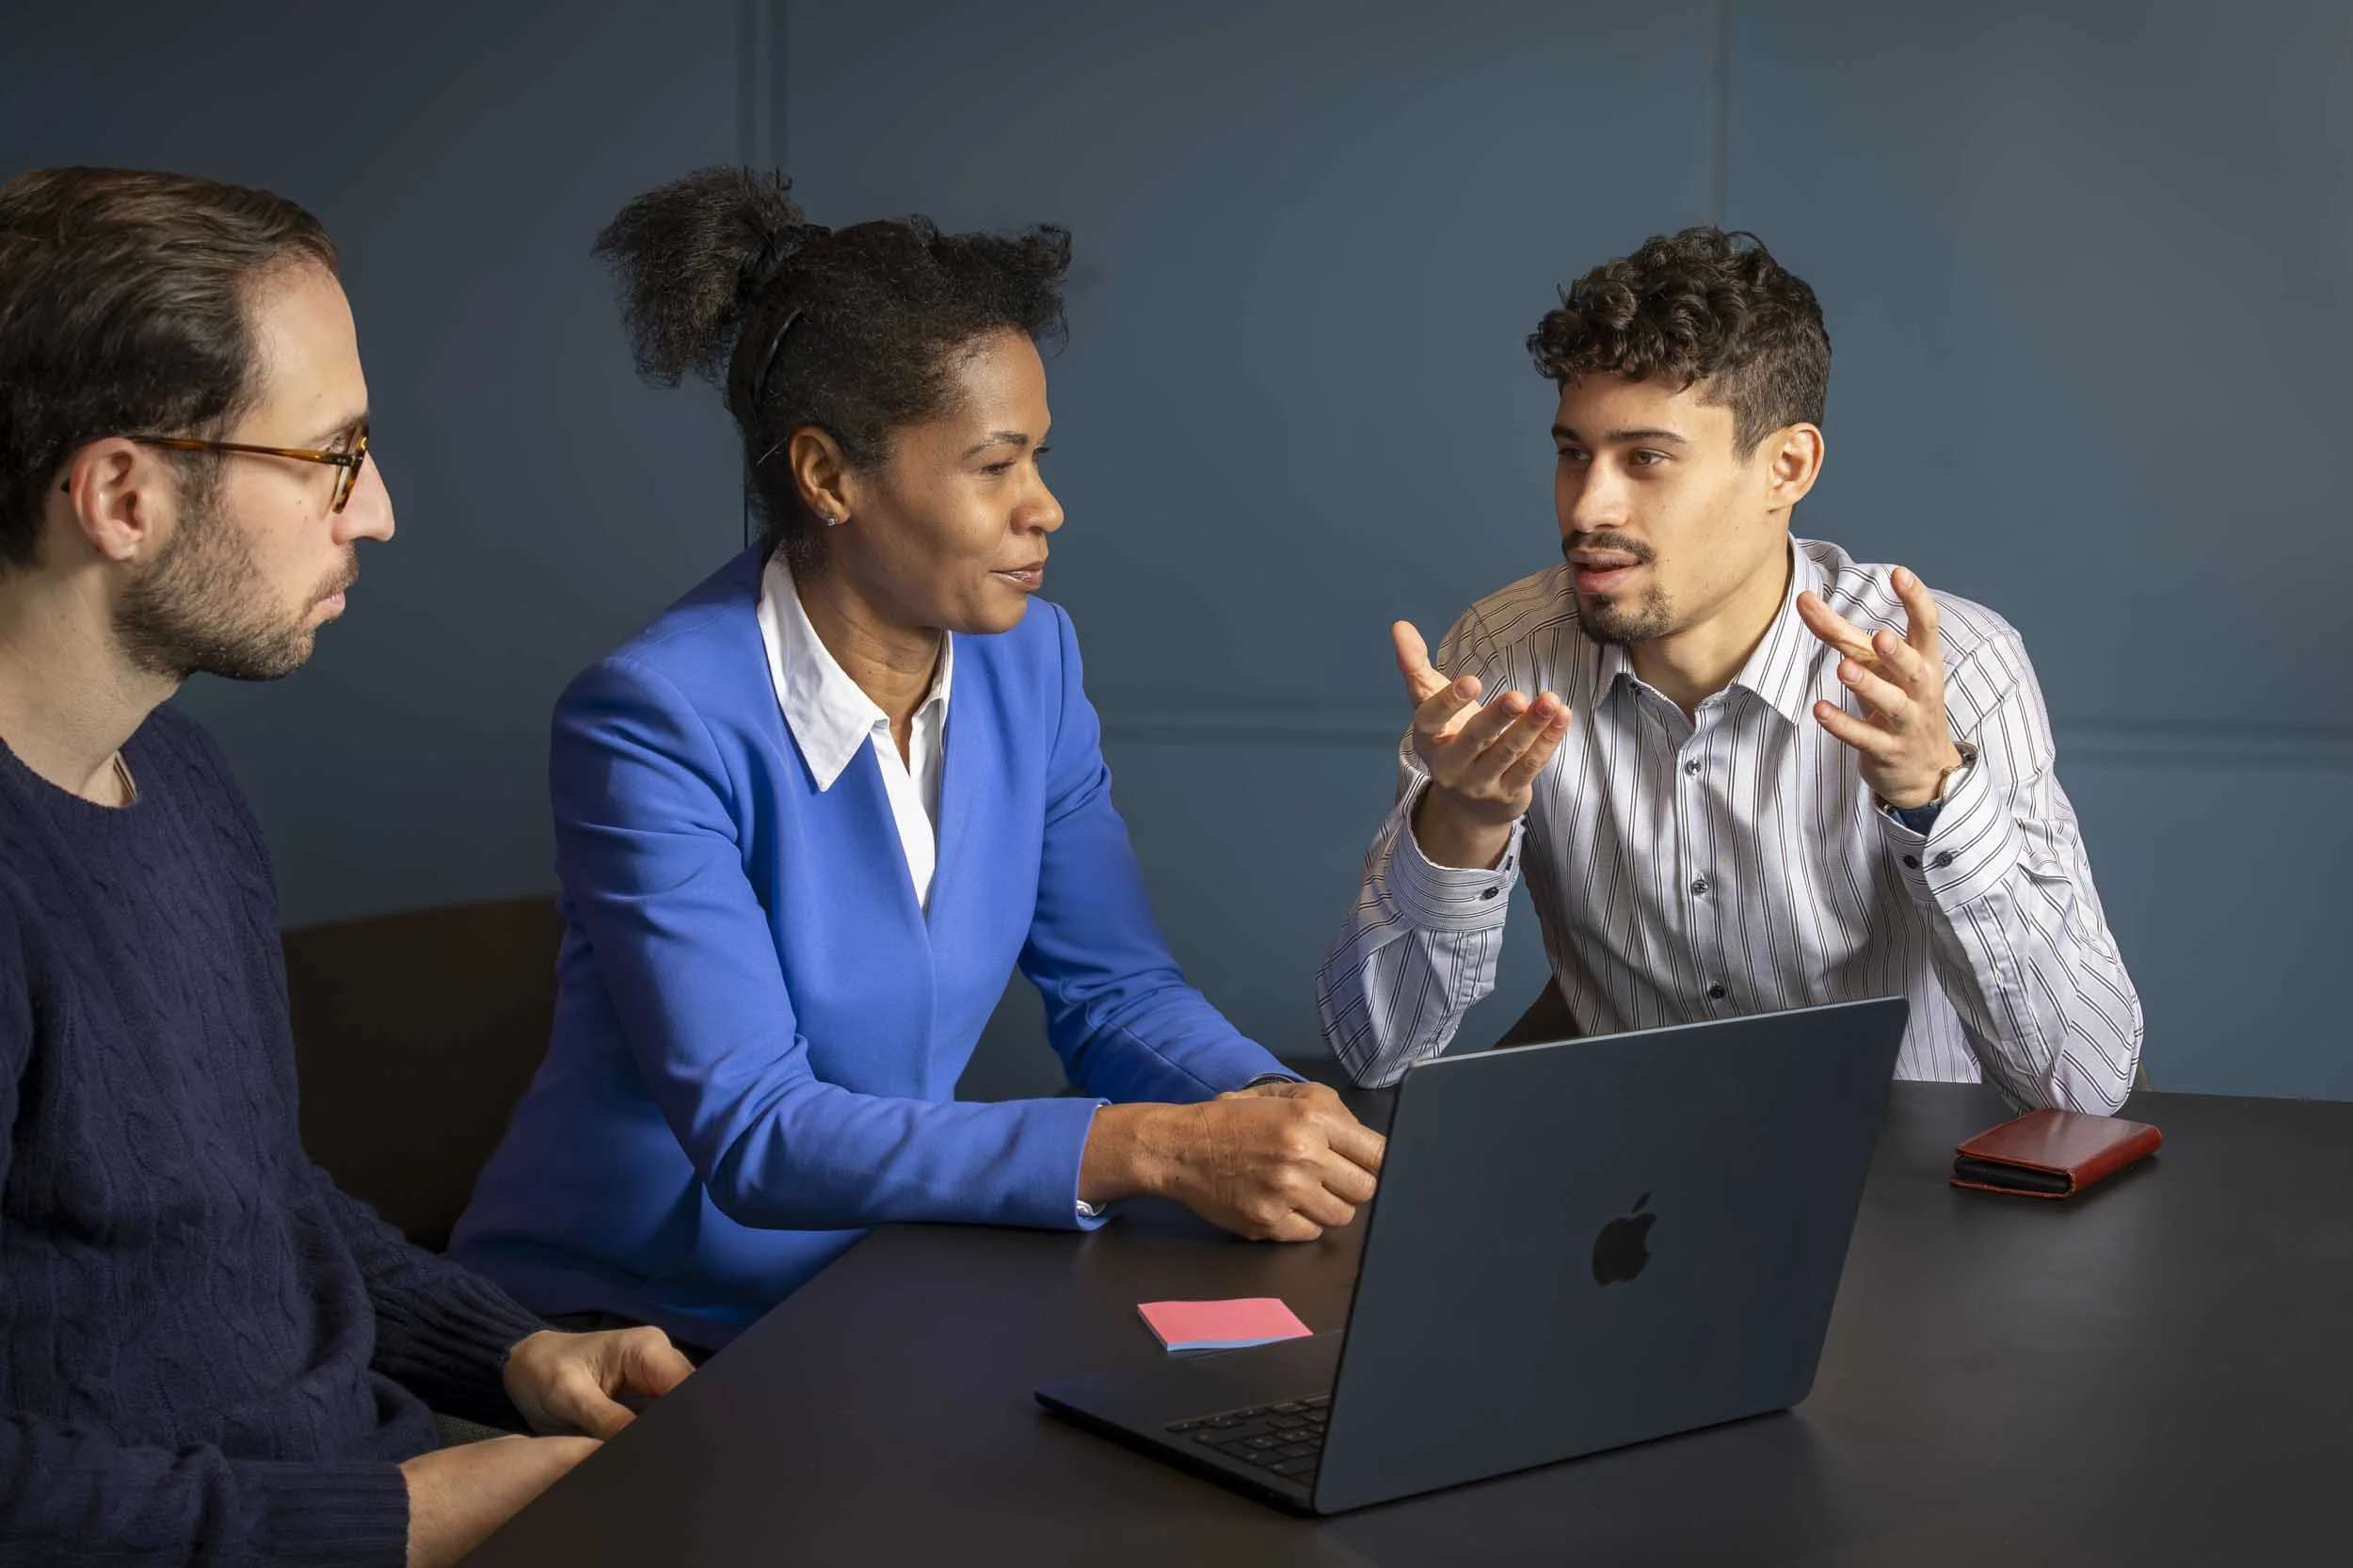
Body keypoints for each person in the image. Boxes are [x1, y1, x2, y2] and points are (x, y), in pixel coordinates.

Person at [448, 168, 1383, 1352]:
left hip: (880, 1274)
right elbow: (758, 1130)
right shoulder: (652, 719)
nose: (1044, 507)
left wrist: (1273, 1111)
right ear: (827, 476)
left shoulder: (1031, 661)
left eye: (1039, 458)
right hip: (634, 1317)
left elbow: (1116, 992)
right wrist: (1146, 1145)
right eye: (994, 466)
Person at [0, 167, 696, 1568]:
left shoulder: (180, 776)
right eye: (331, 455)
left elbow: (250, 1202)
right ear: (123, 495)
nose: (374, 510)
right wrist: (404, 1519)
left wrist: (511, 1351)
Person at [1319, 226, 2142, 1112]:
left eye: (1646, 459)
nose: (1588, 506)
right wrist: (1462, 826)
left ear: (1786, 467)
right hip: (1631, 1176)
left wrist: (1935, 798)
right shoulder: (1500, 657)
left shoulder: (1949, 671)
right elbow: (1375, 1052)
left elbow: (2084, 1083)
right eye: (1573, 453)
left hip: (1902, 1174)